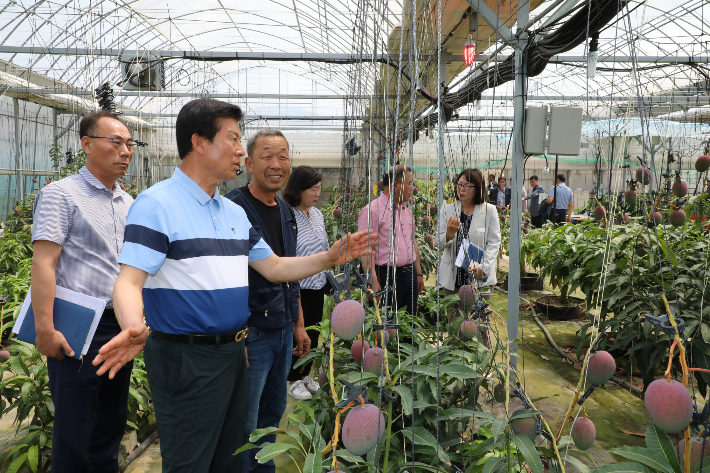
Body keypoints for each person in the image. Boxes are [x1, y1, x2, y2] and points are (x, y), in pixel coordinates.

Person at [91, 99, 375, 473]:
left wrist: (329, 258)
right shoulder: (157, 204)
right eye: (234, 138)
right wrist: (132, 325)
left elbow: (273, 267)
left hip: (233, 352)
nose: (242, 150)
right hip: (185, 357)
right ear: (199, 143)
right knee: (191, 462)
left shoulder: (233, 212)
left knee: (230, 457)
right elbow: (128, 282)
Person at [31, 110, 134, 471]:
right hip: (78, 327)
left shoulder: (128, 202)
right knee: (75, 429)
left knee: (110, 423)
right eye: (116, 142)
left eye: (129, 144)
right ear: (87, 144)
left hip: (120, 326)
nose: (125, 151)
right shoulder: (61, 195)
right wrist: (45, 327)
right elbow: (44, 263)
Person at [225, 129, 317, 473]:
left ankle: (263, 470)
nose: (276, 165)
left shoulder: (285, 211)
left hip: (280, 330)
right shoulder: (234, 208)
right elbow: (225, 277)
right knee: (244, 421)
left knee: (272, 413)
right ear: (249, 163)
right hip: (252, 334)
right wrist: (238, 334)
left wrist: (299, 324)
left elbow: (289, 274)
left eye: (283, 156)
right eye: (267, 157)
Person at [438, 168, 501, 347]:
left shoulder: (489, 211)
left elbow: (494, 242)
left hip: (478, 277)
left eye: (467, 185)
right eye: (459, 185)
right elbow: (440, 242)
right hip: (453, 278)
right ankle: (456, 366)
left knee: (480, 325)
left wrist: (484, 268)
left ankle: (483, 367)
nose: (461, 189)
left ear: (478, 188)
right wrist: (449, 233)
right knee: (455, 324)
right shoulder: (448, 209)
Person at [282, 165, 329, 401]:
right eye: (313, 189)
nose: (317, 193)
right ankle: (293, 379)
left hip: (318, 285)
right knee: (297, 334)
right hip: (297, 286)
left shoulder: (317, 214)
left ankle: (305, 375)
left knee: (313, 332)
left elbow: (324, 248)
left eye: (319, 189)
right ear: (299, 189)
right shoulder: (288, 215)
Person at [358, 165, 424, 319]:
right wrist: (372, 280)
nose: (411, 188)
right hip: (386, 277)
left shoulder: (407, 212)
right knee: (386, 330)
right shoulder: (372, 211)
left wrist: (418, 273)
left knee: (409, 327)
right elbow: (366, 249)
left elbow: (412, 242)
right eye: (409, 183)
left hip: (410, 276)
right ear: (395, 185)